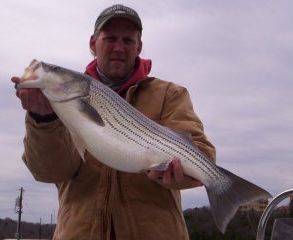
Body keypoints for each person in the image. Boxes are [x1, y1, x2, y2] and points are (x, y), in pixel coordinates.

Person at [12, 4, 216, 240]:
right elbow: (49, 171)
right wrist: (43, 119)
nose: (119, 47)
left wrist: (183, 175)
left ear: (139, 47)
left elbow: (202, 154)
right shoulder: (59, 102)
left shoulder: (170, 94)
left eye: (128, 40)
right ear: (93, 43)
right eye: (110, 38)